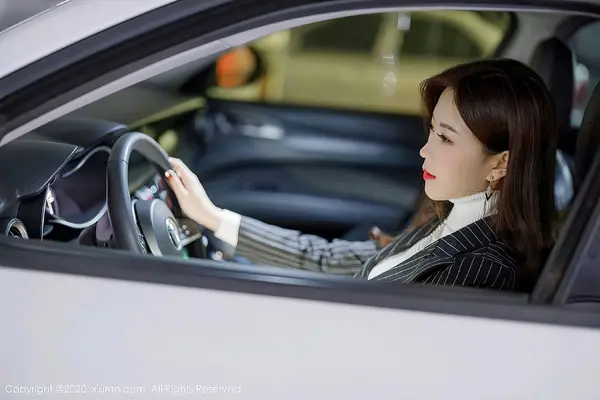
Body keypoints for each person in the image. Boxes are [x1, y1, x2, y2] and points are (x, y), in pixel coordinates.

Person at [165, 58, 559, 292]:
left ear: (501, 164)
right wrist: (212, 217)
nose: (425, 150)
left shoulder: (483, 270)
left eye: (446, 138)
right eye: (432, 130)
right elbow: (326, 261)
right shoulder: (450, 220)